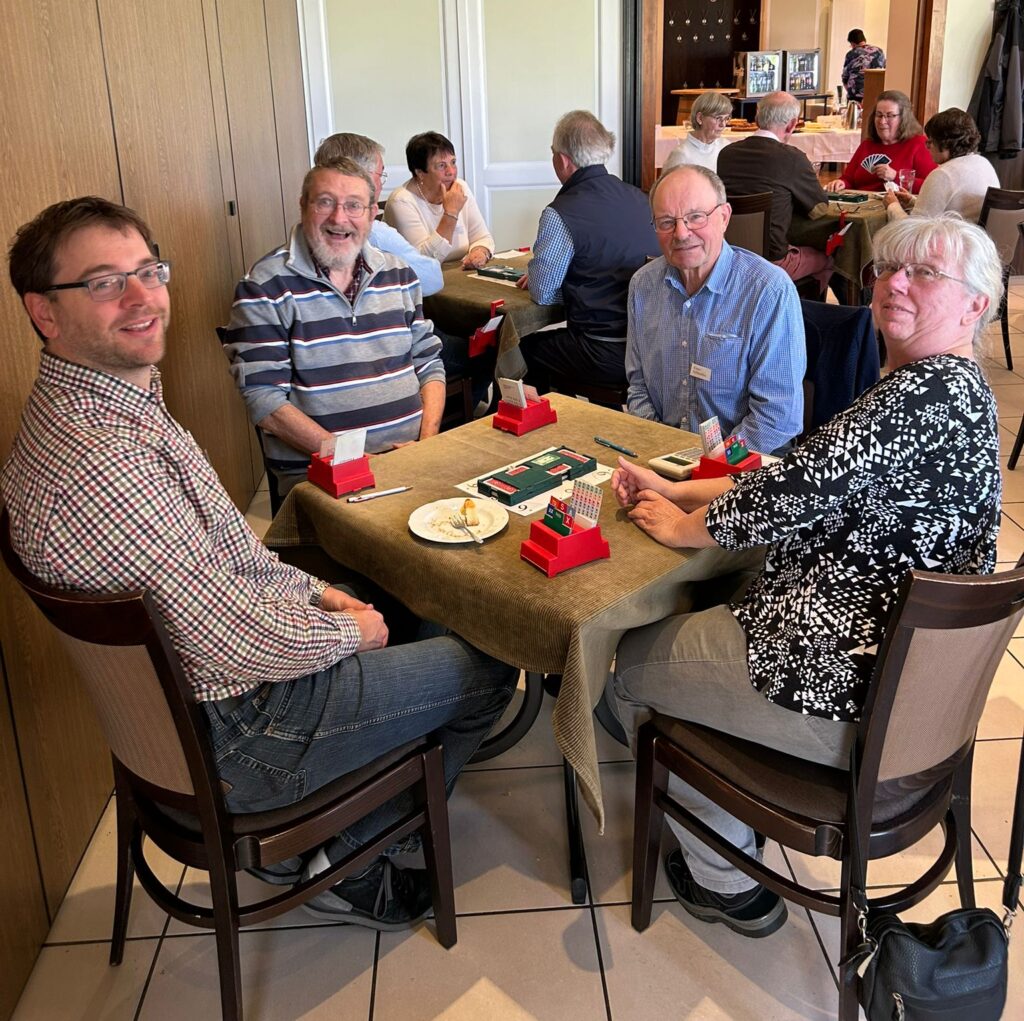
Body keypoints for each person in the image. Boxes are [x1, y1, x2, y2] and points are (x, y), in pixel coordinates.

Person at [1, 196, 518, 931]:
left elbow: (230, 554)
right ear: (45, 312)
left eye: (149, 271)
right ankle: (352, 851)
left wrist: (324, 598)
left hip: (199, 698)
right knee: (491, 661)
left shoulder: (99, 406)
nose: (144, 297)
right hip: (243, 733)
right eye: (104, 282)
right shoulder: (102, 460)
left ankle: (362, 778)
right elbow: (225, 639)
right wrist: (351, 633)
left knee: (385, 598)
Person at [611, 213, 1002, 938]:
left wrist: (685, 523)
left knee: (625, 665)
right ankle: (724, 796)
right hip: (909, 694)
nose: (894, 284)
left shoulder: (919, 396)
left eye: (924, 273)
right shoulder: (959, 388)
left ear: (976, 304)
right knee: (719, 592)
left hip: (843, 686)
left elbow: (798, 488)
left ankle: (725, 876)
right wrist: (691, 491)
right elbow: (809, 477)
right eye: (888, 267)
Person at [220, 158, 446, 496]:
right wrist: (358, 460)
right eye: (325, 202)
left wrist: (426, 444)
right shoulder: (264, 286)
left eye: (354, 205)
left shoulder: (398, 274)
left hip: (411, 456)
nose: (339, 218)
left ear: (373, 215)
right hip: (320, 472)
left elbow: (429, 364)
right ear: (303, 206)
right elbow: (265, 401)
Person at [625, 164, 805, 456]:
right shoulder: (643, 285)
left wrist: (713, 467)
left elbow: (777, 417)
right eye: (666, 222)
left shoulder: (768, 291)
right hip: (664, 458)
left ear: (724, 217)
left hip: (744, 464)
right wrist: (660, 452)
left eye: (696, 217)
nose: (681, 233)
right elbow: (638, 387)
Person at [515, 110, 660, 394]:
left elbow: (543, 294)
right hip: (649, 346)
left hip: (602, 351)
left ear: (562, 160)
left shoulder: (561, 213)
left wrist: (550, 279)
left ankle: (544, 428)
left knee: (522, 349)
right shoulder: (641, 198)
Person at [717, 91, 833, 294]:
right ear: (792, 124)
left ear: (756, 117)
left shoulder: (726, 154)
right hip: (773, 262)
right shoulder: (793, 159)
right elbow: (820, 209)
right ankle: (805, 317)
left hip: (729, 255)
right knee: (830, 259)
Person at [313, 131, 443, 295]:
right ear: (361, 177)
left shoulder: (306, 235)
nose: (381, 185)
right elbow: (432, 279)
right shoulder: (376, 234)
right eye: (380, 175)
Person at [383, 132, 495, 270]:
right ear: (420, 172)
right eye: (441, 166)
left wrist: (480, 251)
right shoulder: (401, 201)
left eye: (453, 162)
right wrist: (451, 213)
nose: (451, 172)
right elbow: (423, 263)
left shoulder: (460, 187)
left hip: (458, 275)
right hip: (417, 283)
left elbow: (483, 237)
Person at [883, 107, 1000, 223]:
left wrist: (893, 206)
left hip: (954, 240)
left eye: (930, 141)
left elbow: (915, 230)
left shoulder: (943, 174)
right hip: (979, 238)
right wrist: (913, 201)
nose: (927, 146)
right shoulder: (983, 163)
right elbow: (954, 208)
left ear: (945, 143)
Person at [827, 90, 936, 194]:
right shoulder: (867, 145)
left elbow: (931, 187)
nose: (882, 121)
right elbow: (849, 178)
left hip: (896, 207)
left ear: (903, 118)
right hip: (861, 205)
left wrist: (895, 176)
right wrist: (841, 183)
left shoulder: (919, 144)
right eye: (879, 115)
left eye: (890, 116)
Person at [663, 91, 734, 173]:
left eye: (726, 118)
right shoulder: (682, 155)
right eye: (718, 118)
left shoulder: (725, 147)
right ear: (700, 118)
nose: (723, 124)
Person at [841, 28, 886, 106]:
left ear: (852, 43)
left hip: (855, 95)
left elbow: (845, 77)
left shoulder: (851, 54)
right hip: (874, 93)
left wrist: (850, 92)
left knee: (854, 116)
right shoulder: (879, 51)